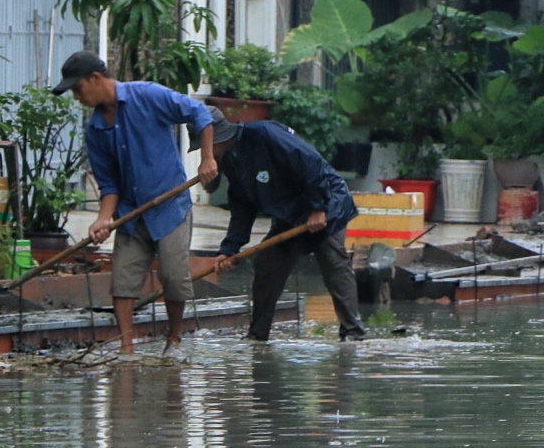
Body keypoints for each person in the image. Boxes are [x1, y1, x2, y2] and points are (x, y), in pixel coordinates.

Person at [54, 50, 216, 358]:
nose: (76, 97)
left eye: (77, 89)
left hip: (170, 204)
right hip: (131, 211)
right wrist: (103, 219)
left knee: (172, 276)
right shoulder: (95, 130)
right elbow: (109, 183)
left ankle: (175, 340)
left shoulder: (148, 95)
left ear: (95, 79)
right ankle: (126, 349)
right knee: (123, 280)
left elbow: (199, 113)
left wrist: (206, 159)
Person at [207, 108, 366, 341]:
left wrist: (318, 207)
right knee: (267, 263)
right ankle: (258, 334)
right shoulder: (231, 160)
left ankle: (353, 332)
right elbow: (242, 206)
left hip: (325, 202)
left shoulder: (264, 134)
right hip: (289, 215)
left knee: (333, 262)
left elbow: (311, 164)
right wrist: (229, 249)